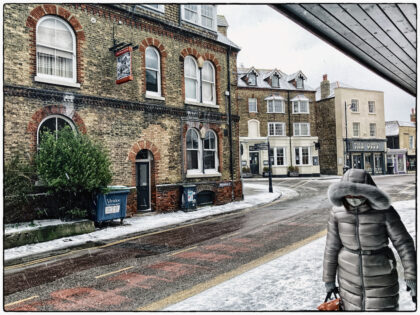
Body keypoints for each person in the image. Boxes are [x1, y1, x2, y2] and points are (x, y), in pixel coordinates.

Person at [323, 168, 416, 311]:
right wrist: (328, 279)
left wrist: (412, 275)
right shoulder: (337, 212)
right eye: (348, 194)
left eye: (359, 193)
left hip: (381, 277)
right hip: (348, 279)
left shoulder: (385, 211)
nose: (353, 198)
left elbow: (403, 243)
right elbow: (331, 246)